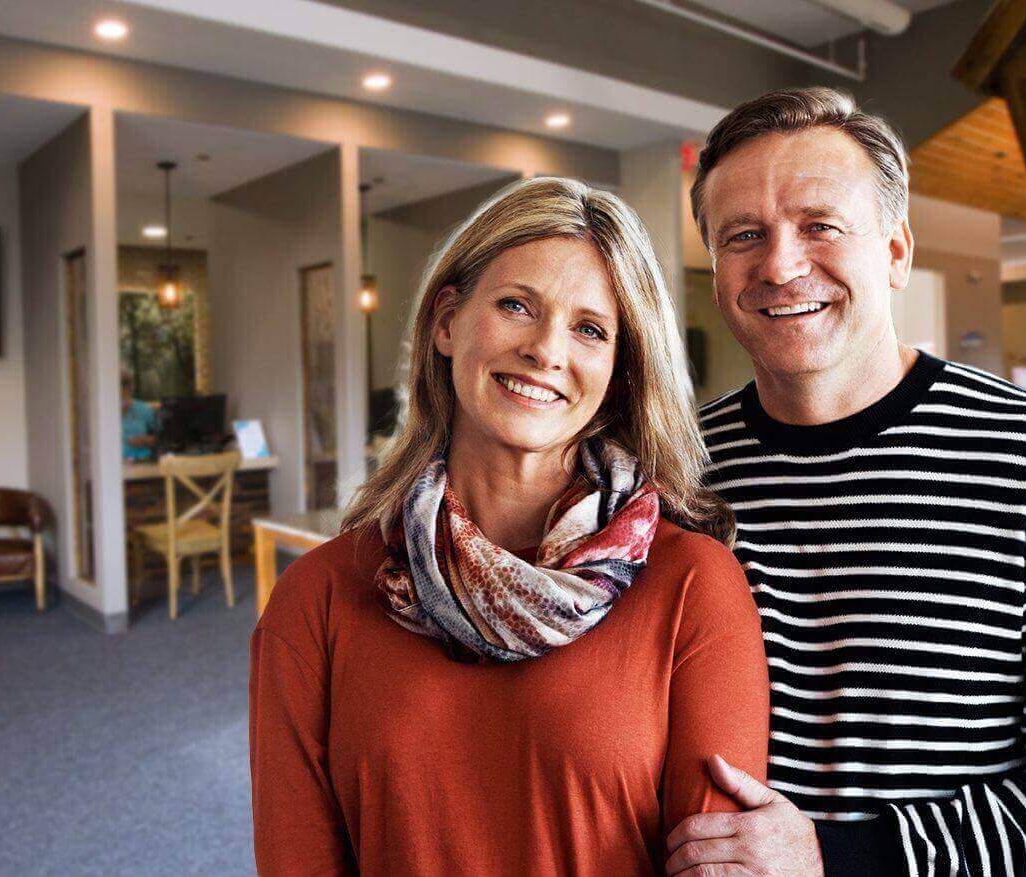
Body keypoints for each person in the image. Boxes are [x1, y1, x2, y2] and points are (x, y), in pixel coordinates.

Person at [666, 87, 1026, 876]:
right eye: (744, 236)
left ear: (896, 252)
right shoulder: (681, 467)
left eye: (820, 225)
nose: (780, 264)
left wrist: (836, 857)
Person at [250, 177, 770, 874]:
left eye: (590, 328)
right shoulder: (317, 597)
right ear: (446, 322)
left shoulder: (692, 586)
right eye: (517, 305)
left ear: (617, 371)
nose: (546, 349)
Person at [120, 374, 158, 462]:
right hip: (113, 465)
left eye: (128, 389)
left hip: (142, 461)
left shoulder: (144, 409)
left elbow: (162, 438)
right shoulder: (102, 413)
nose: (125, 394)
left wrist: (147, 440)